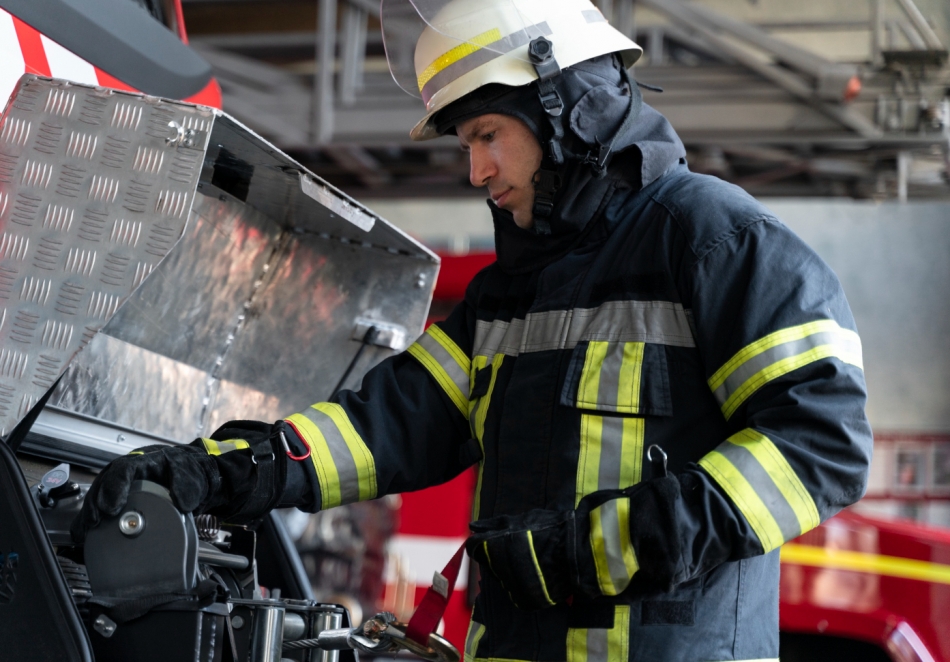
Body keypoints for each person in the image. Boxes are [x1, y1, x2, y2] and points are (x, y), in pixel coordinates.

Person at [73, 1, 873, 660]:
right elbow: (387, 425)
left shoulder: (714, 241)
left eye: (489, 135)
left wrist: (606, 545)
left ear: (566, 107)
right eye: (468, 145)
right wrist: (223, 470)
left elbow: (821, 441)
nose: (477, 171)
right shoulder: (507, 297)